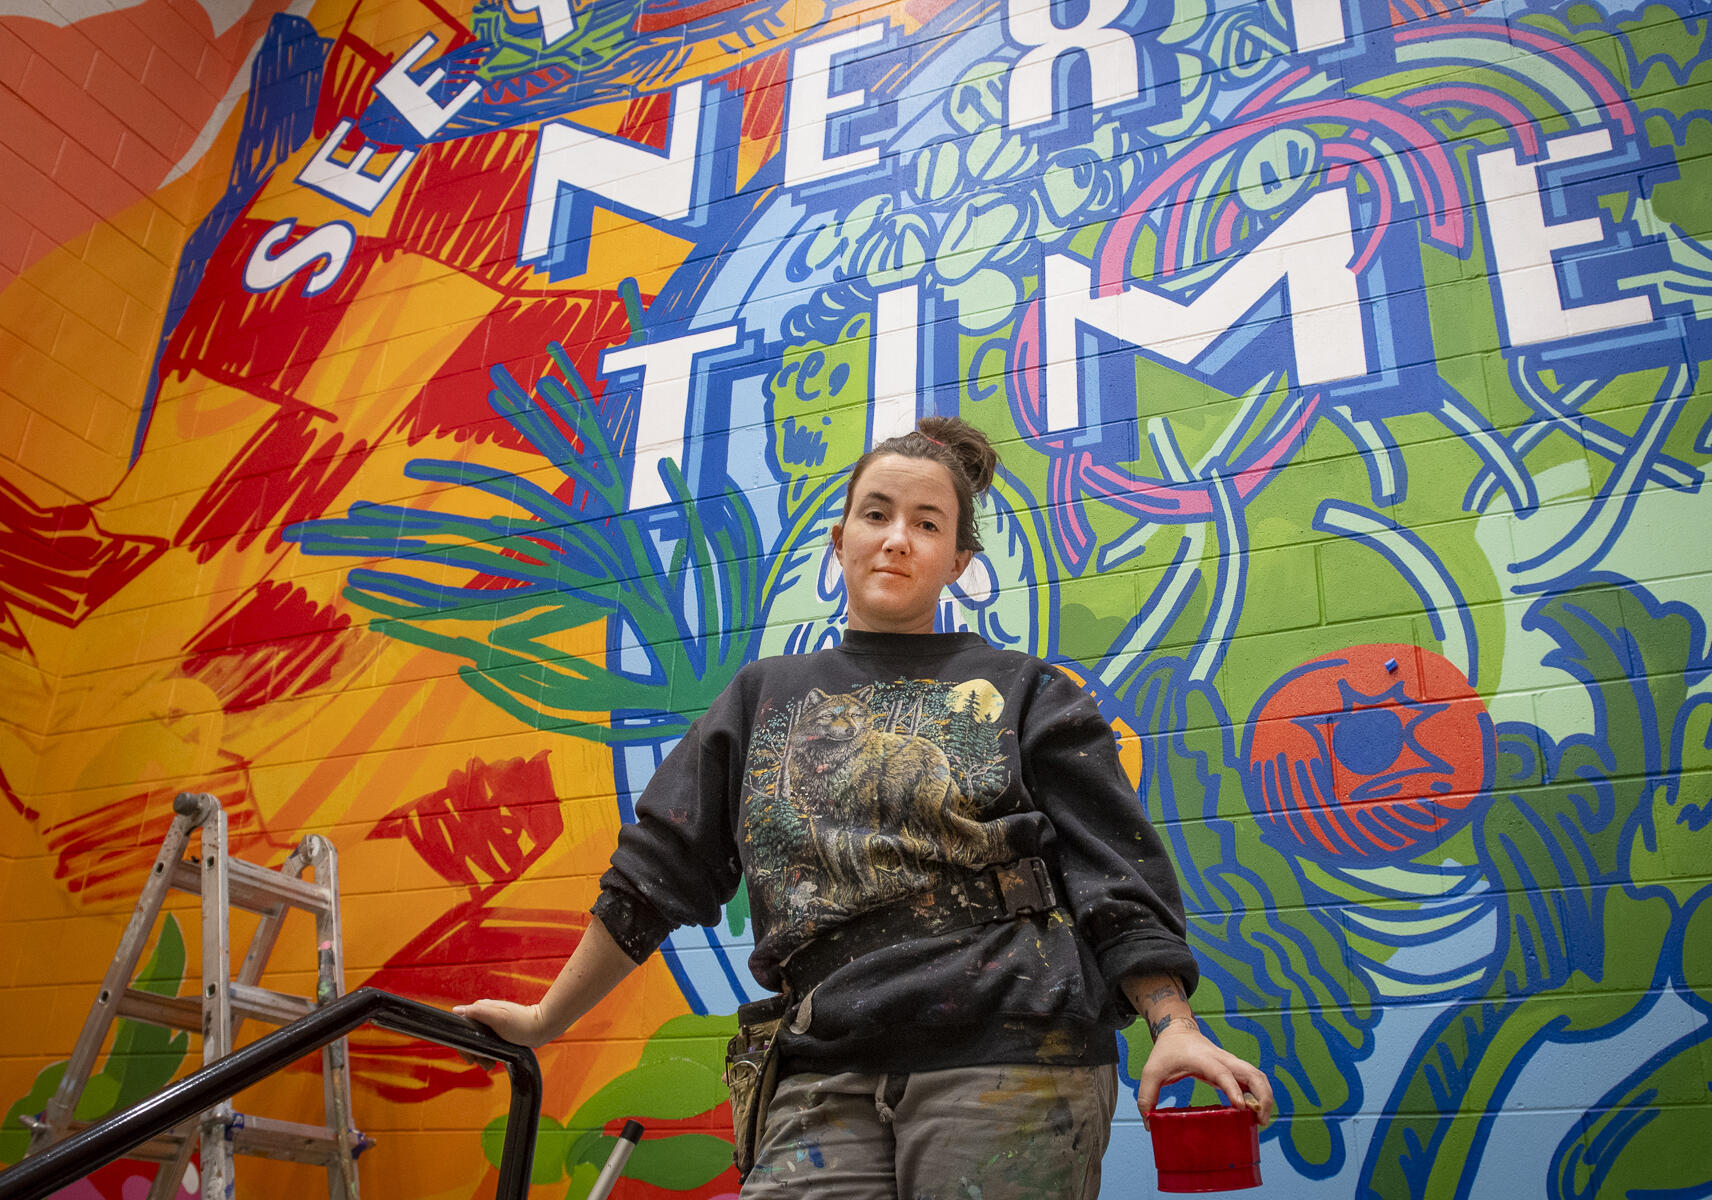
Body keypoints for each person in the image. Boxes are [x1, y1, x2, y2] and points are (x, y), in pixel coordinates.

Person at [457, 416, 1275, 1198]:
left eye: (927, 523)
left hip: (1012, 1053)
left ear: (958, 560)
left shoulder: (1030, 692)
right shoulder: (761, 699)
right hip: (819, 1069)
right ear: (839, 539)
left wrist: (1173, 1024)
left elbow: (1113, 876)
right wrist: (544, 1018)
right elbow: (654, 874)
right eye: (876, 514)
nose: (895, 538)